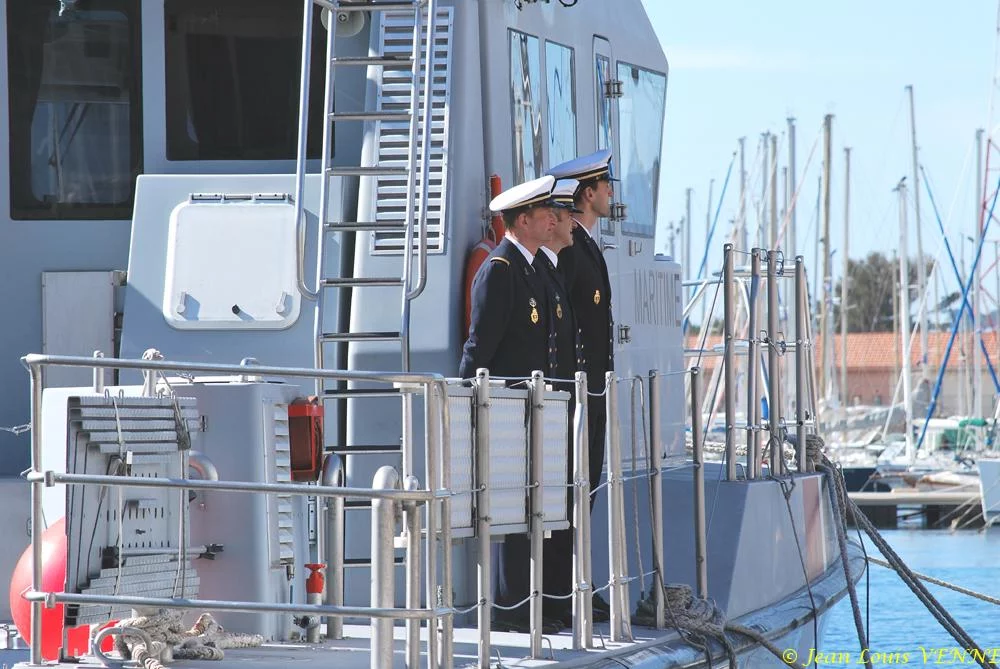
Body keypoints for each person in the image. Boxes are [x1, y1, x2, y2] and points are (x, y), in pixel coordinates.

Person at [458, 174, 565, 633]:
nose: (553, 220)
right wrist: (468, 406)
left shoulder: (533, 268)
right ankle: (510, 610)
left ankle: (527, 606)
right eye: (544, 214)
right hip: (506, 410)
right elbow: (479, 345)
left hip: (534, 410)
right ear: (522, 220)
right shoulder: (500, 270)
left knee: (532, 511)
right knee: (513, 511)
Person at [548, 149, 617, 620]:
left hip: (592, 390)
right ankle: (562, 591)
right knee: (571, 490)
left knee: (585, 489)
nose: (611, 192)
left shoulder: (588, 245)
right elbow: (564, 320)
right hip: (576, 392)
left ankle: (577, 584)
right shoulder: (572, 251)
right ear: (588, 193)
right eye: (606, 185)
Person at [534, 178, 587, 627]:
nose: (573, 222)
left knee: (559, 507)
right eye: (567, 215)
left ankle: (556, 598)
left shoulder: (549, 271)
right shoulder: (517, 271)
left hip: (558, 408)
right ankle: (537, 604)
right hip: (539, 409)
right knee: (537, 511)